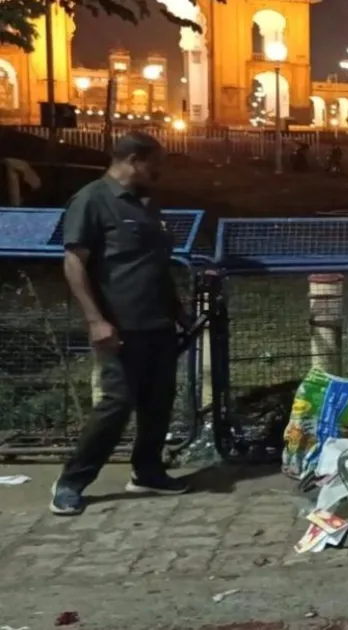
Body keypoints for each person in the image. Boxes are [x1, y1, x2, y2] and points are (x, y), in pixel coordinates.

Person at [51, 132, 190, 516]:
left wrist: (178, 312)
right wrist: (96, 320)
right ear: (133, 160)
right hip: (118, 326)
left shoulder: (146, 206)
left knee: (157, 402)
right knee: (116, 405)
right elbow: (74, 261)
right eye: (155, 162)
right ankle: (71, 482)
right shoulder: (93, 200)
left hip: (157, 323)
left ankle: (148, 471)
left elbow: (154, 264)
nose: (160, 170)